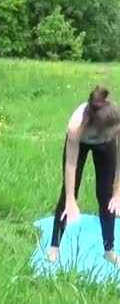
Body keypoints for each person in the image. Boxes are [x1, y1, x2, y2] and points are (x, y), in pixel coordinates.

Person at [48, 85, 120, 264]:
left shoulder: (115, 121)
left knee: (107, 197)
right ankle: (54, 247)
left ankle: (109, 250)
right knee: (66, 196)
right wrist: (71, 198)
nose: (113, 135)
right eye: (110, 133)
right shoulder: (76, 126)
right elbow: (70, 165)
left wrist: (118, 193)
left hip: (104, 148)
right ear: (97, 128)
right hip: (80, 144)